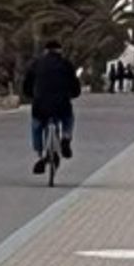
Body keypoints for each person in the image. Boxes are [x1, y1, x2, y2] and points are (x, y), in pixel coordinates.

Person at [21, 39, 81, 173]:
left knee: (36, 125)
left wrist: (30, 95)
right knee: (68, 118)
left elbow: (27, 84)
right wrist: (73, 94)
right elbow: (75, 85)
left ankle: (40, 153)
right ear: (60, 50)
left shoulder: (36, 64)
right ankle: (66, 138)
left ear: (45, 50)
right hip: (61, 104)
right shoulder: (66, 64)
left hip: (40, 105)